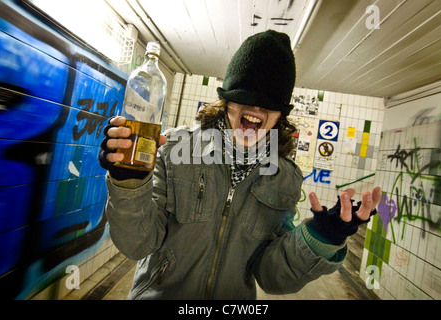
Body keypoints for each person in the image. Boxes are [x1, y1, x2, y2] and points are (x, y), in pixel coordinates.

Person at [98, 30, 381, 300]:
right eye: (247, 97)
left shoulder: (284, 179)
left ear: (281, 115)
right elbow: (138, 244)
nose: (256, 110)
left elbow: (271, 275)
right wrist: (129, 183)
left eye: (268, 103)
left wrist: (321, 238)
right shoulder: (174, 149)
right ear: (227, 101)